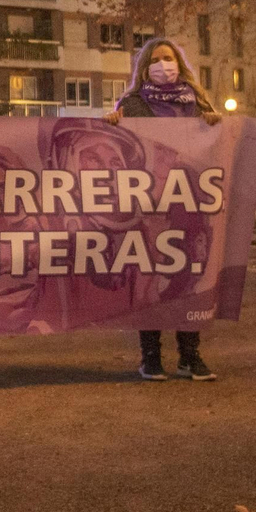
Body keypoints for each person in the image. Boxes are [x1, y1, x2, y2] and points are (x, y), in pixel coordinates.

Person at [104, 37, 222, 382]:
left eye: (168, 58)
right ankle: (151, 356)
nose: (163, 64)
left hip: (190, 202)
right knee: (150, 276)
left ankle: (190, 355)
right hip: (150, 203)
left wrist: (214, 122)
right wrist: (112, 124)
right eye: (156, 60)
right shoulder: (133, 103)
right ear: (145, 68)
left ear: (179, 63)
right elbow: (121, 148)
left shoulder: (197, 102)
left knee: (189, 276)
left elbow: (213, 146)